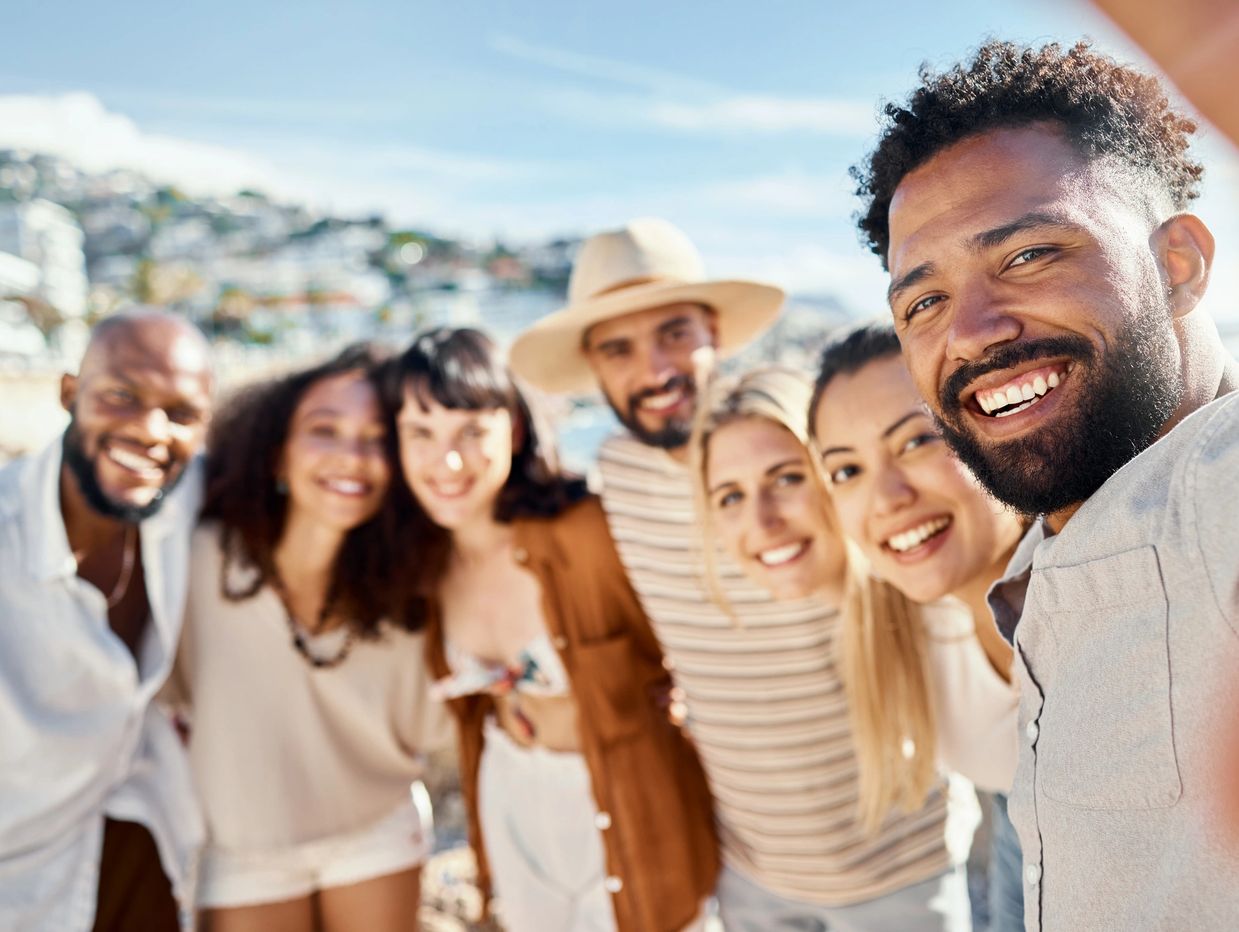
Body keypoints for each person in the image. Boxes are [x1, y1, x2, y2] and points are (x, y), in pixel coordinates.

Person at [853, 39, 1239, 930]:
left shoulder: (1215, 487)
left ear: (1176, 262)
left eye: (1027, 255)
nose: (974, 330)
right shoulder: (1052, 546)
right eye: (922, 303)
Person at [510, 218, 970, 931]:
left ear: (714, 336)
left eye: (673, 334)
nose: (653, 368)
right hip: (751, 877)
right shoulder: (619, 476)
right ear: (594, 371)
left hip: (899, 870)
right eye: (618, 349)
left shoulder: (801, 433)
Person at [384, 327, 717, 932]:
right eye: (421, 434)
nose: (447, 461)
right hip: (510, 795)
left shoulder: (586, 530)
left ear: (511, 428)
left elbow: (695, 619)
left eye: (470, 431)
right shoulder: (423, 563)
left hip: (631, 800)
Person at [170, 344, 444, 931]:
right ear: (276, 454)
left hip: (378, 829)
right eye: (325, 430)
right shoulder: (201, 559)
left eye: (377, 438)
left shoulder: (409, 580)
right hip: (241, 847)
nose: (353, 456)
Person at [807, 323, 1026, 932]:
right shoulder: (895, 618)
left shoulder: (1106, 586)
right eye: (846, 471)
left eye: (916, 441)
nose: (887, 497)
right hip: (1017, 836)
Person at [0, 310, 213, 931]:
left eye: (181, 413)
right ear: (70, 394)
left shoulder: (192, 499)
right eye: (122, 396)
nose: (150, 430)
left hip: (143, 835)